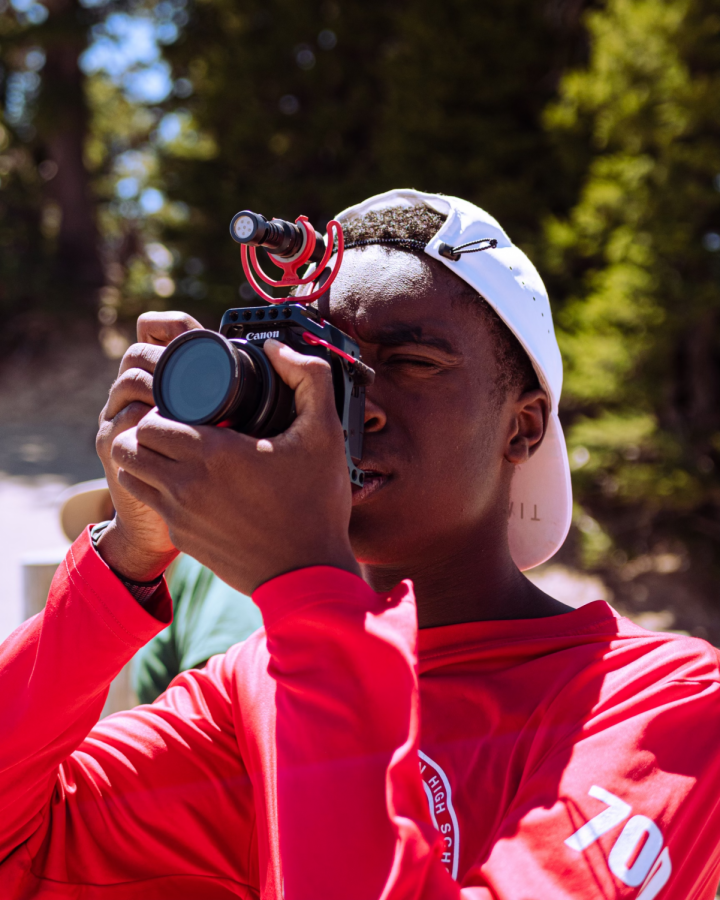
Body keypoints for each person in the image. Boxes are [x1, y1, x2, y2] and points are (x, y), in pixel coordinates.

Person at [1, 189, 720, 900]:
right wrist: (127, 558)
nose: (354, 407)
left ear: (522, 428)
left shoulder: (668, 704)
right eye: (323, 364)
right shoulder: (256, 688)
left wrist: (308, 587)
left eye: (411, 362)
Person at [59, 479, 261, 703]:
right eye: (109, 523)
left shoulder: (206, 568)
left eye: (133, 509)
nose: (121, 532)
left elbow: (223, 698)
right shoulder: (165, 591)